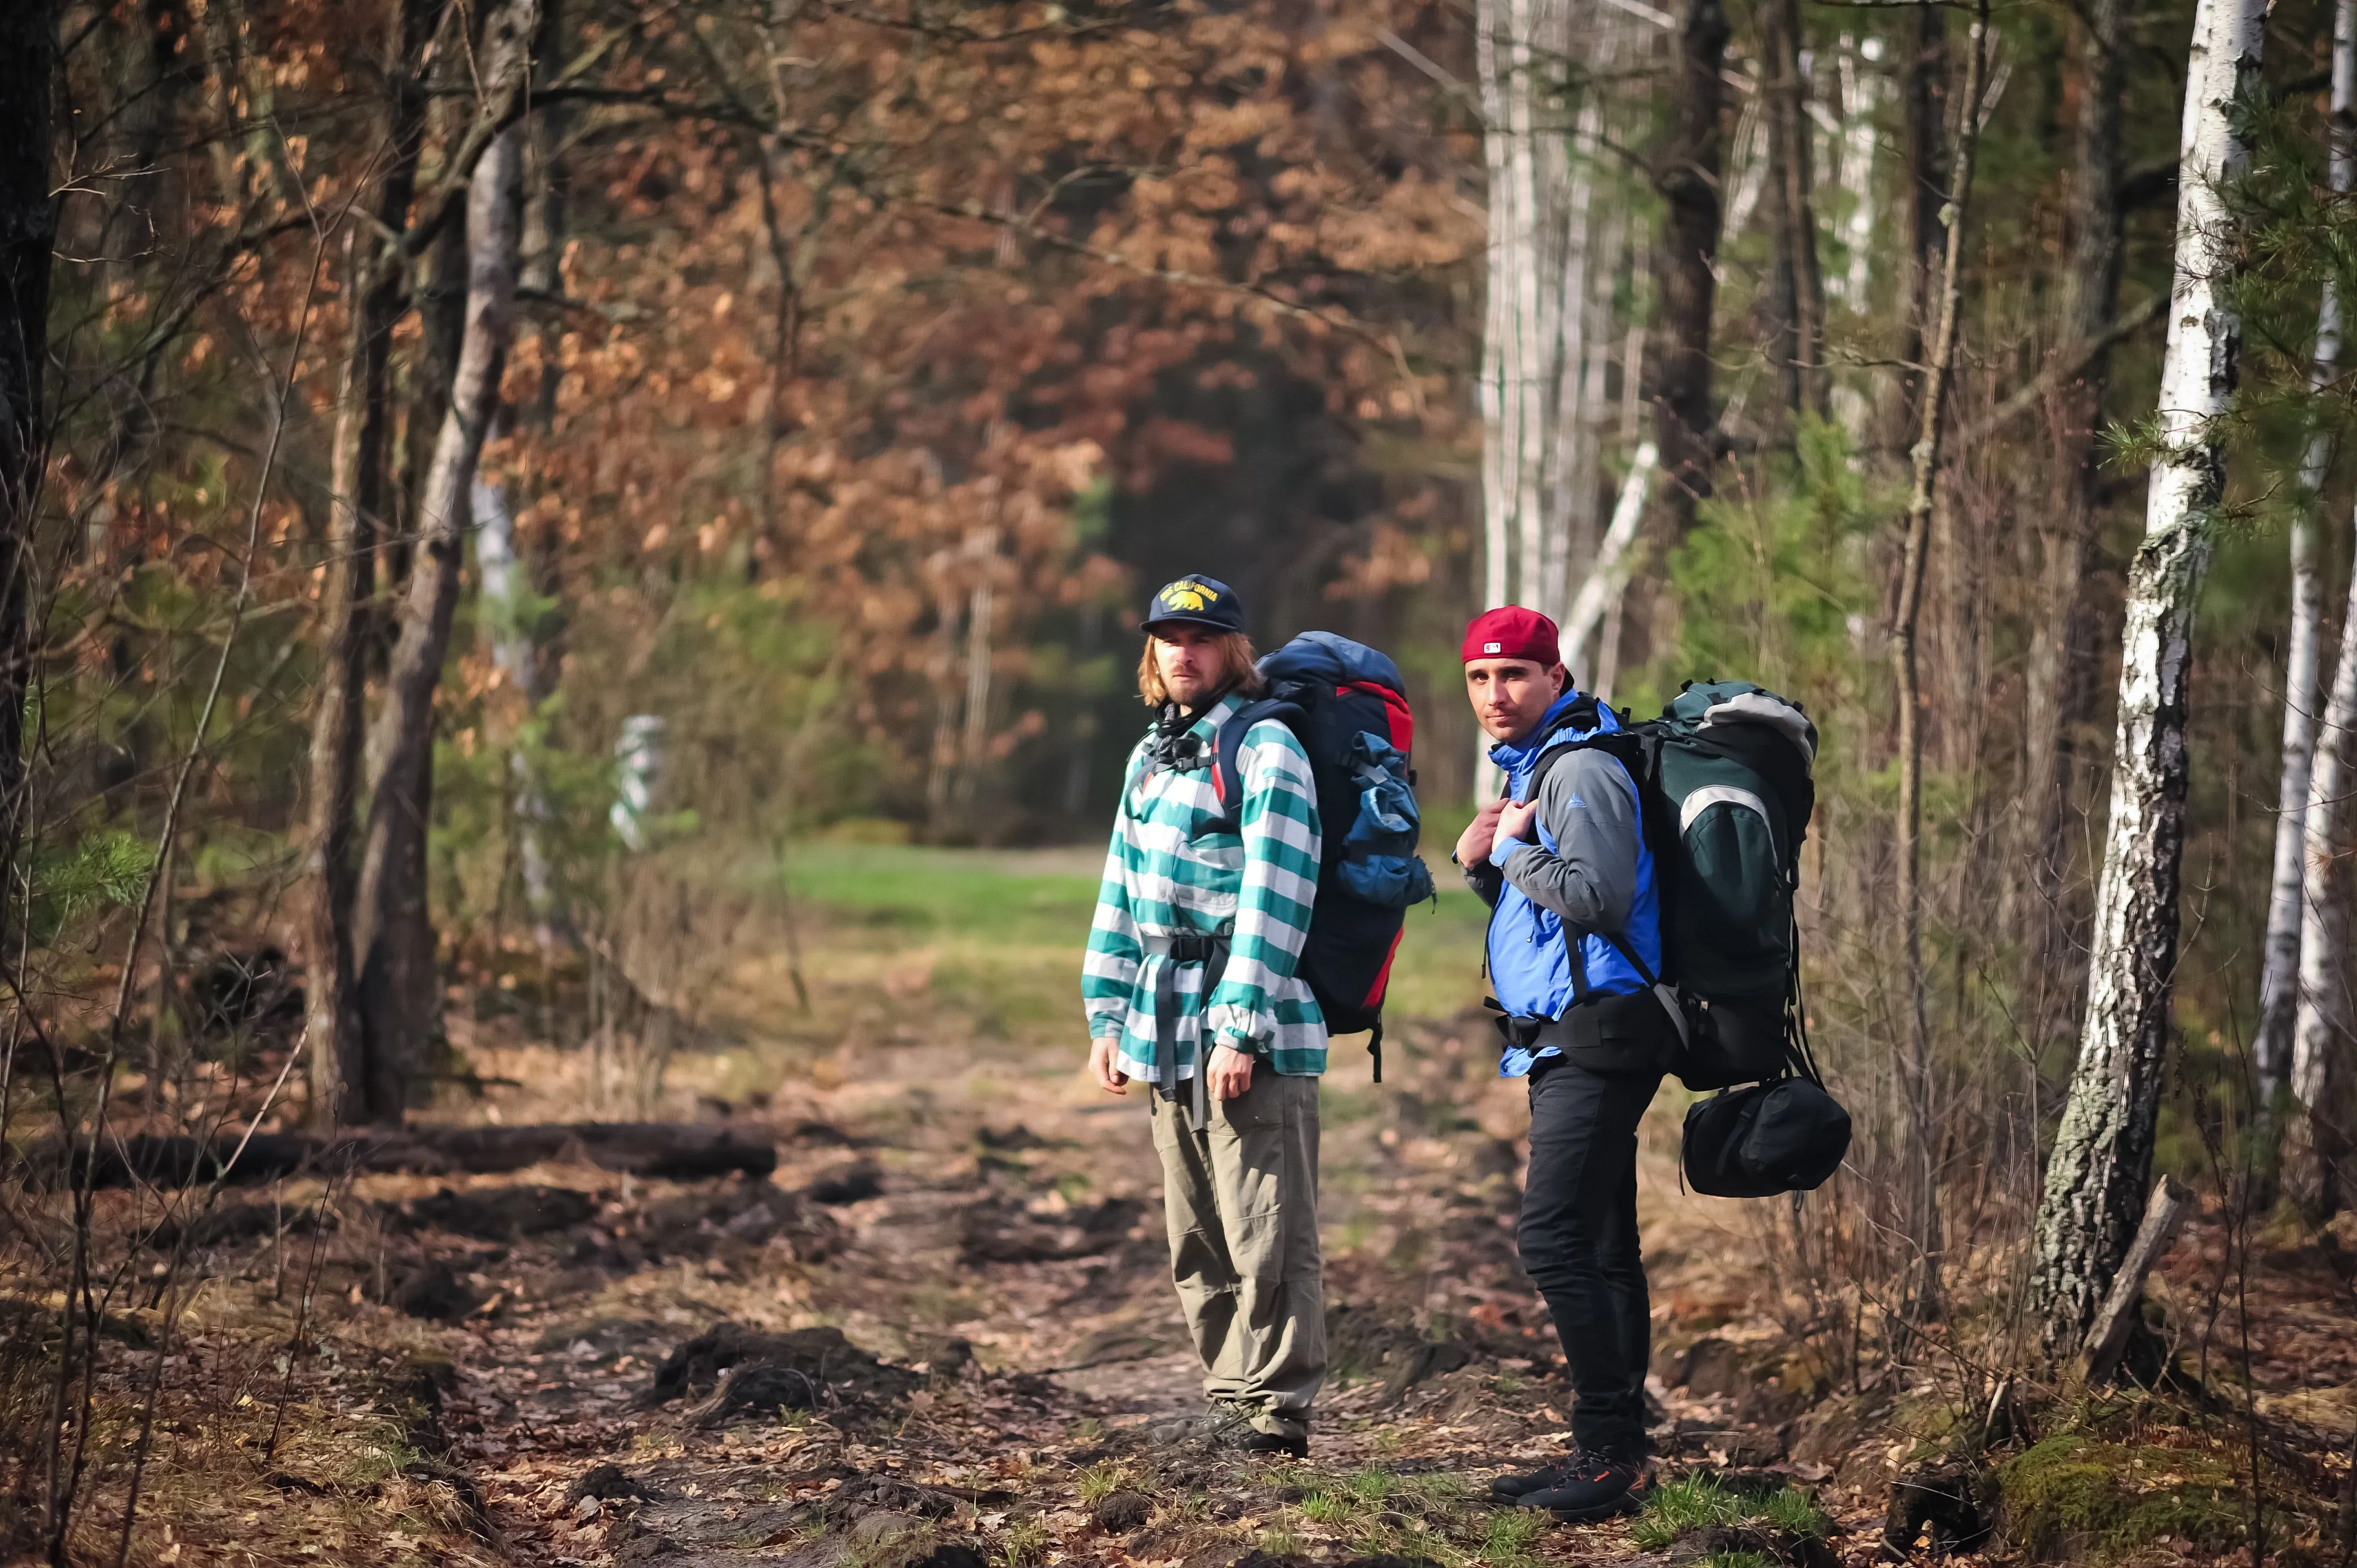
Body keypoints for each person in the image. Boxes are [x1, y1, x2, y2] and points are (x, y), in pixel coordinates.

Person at [1080, 574, 1327, 1458]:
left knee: (1267, 1226)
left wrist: (1240, 1027)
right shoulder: (1153, 754)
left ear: (1234, 650)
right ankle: (1229, 1395)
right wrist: (1107, 1015)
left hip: (1247, 1024)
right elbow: (1120, 890)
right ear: (1152, 652)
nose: (1185, 652)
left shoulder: (1267, 749)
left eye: (1204, 637)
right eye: (1169, 638)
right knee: (1195, 1232)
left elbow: (1277, 895)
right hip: (1161, 1019)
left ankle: (1278, 1407)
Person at [1452, 605, 1668, 1521]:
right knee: (1604, 1241)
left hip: (1602, 1032)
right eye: (1479, 679)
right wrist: (1484, 868)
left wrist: (1507, 849)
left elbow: (1599, 897)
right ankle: (1613, 1450)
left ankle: (1609, 1449)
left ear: (1556, 677)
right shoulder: (1541, 766)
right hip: (1571, 1034)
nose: (1496, 695)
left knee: (1550, 1240)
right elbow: (1542, 914)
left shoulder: (1579, 767)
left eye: (1514, 676)